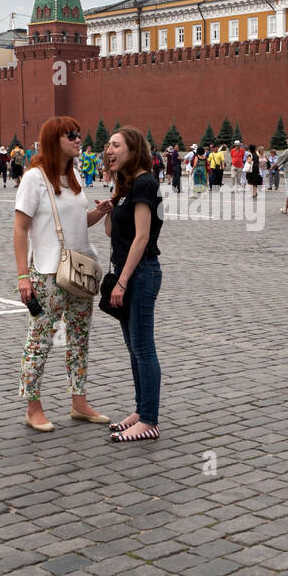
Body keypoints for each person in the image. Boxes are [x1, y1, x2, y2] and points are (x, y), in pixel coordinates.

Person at [13, 116, 112, 432]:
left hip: (79, 270)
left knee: (79, 339)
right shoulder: (34, 178)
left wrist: (101, 211)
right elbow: (19, 229)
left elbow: (79, 222)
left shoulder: (75, 175)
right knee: (40, 341)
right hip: (46, 272)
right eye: (71, 135)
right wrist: (22, 277)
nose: (78, 139)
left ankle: (79, 402)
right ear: (54, 140)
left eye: (79, 134)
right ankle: (33, 407)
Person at [103, 126, 164, 443]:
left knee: (143, 348)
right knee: (133, 349)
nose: (108, 150)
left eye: (115, 145)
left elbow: (142, 238)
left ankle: (150, 419)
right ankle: (141, 411)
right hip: (129, 273)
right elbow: (113, 234)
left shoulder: (144, 184)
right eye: (107, 145)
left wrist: (122, 282)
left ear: (133, 149)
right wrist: (112, 206)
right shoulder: (129, 186)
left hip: (140, 274)